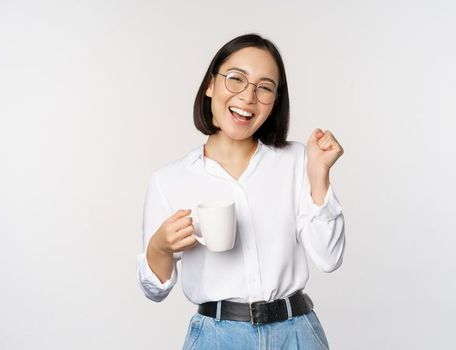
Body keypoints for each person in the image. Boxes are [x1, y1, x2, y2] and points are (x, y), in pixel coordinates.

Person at [136, 33, 346, 350]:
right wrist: (161, 247)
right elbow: (155, 291)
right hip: (216, 338)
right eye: (236, 79)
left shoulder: (298, 160)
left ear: (275, 101)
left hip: (298, 334)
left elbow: (329, 259)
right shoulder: (169, 180)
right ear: (210, 85)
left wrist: (320, 176)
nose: (248, 97)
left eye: (264, 87)